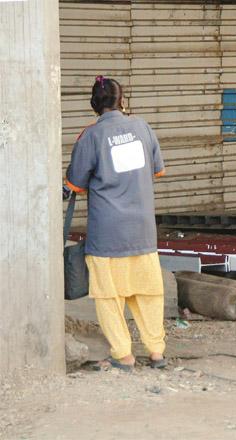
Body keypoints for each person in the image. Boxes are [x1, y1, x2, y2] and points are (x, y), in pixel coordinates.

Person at [65, 76, 167, 372]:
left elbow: (75, 182)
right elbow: (157, 170)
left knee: (109, 297)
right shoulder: (143, 127)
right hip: (143, 231)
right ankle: (157, 352)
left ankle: (123, 356)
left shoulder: (91, 136)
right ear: (122, 100)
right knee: (148, 293)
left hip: (107, 235)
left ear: (94, 104)